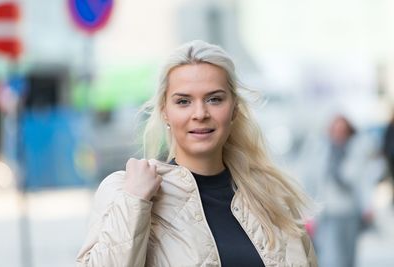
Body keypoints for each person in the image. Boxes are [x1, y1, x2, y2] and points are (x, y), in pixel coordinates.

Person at [76, 40, 317, 267]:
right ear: (164, 112)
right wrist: (134, 201)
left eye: (214, 99)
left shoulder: (273, 196)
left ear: (233, 109)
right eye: (183, 102)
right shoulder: (125, 191)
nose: (200, 113)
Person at [296, 115, 382, 267]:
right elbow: (311, 179)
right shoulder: (322, 150)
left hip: (349, 211)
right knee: (332, 257)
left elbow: (362, 180)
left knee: (349, 255)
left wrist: (368, 206)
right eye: (336, 130)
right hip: (328, 212)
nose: (339, 134)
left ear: (349, 132)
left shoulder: (356, 150)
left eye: (343, 131)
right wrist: (307, 209)